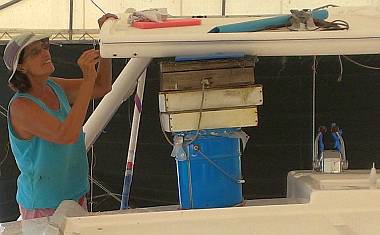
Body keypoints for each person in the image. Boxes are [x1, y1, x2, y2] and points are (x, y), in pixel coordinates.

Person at [2, 13, 118, 220]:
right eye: (35, 52)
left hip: (74, 194)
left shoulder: (54, 86)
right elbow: (66, 135)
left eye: (45, 47)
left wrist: (105, 41)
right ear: (21, 67)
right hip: (44, 204)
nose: (45, 53)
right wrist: (88, 77)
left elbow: (102, 86)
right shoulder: (21, 106)